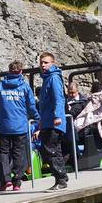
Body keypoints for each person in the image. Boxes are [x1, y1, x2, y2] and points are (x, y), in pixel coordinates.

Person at [0, 60, 37, 191]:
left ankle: (6, 181)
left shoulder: (0, 86)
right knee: (19, 154)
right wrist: (38, 118)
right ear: (21, 71)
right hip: (20, 126)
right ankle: (17, 182)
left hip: (3, 126)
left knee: (3, 154)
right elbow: (31, 106)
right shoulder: (25, 86)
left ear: (9, 71)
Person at [35, 51, 70, 190]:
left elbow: (58, 98)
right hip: (47, 121)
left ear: (52, 63)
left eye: (46, 62)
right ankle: (62, 176)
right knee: (54, 150)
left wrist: (57, 116)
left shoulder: (54, 78)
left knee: (50, 151)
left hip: (54, 121)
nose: (43, 65)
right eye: (41, 63)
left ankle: (61, 180)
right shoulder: (47, 78)